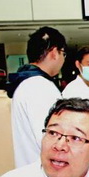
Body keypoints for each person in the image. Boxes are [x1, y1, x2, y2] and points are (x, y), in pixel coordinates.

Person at [8, 26, 65, 167]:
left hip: (32, 168)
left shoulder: (26, 83)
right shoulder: (39, 86)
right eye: (63, 53)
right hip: (46, 171)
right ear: (54, 52)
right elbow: (51, 138)